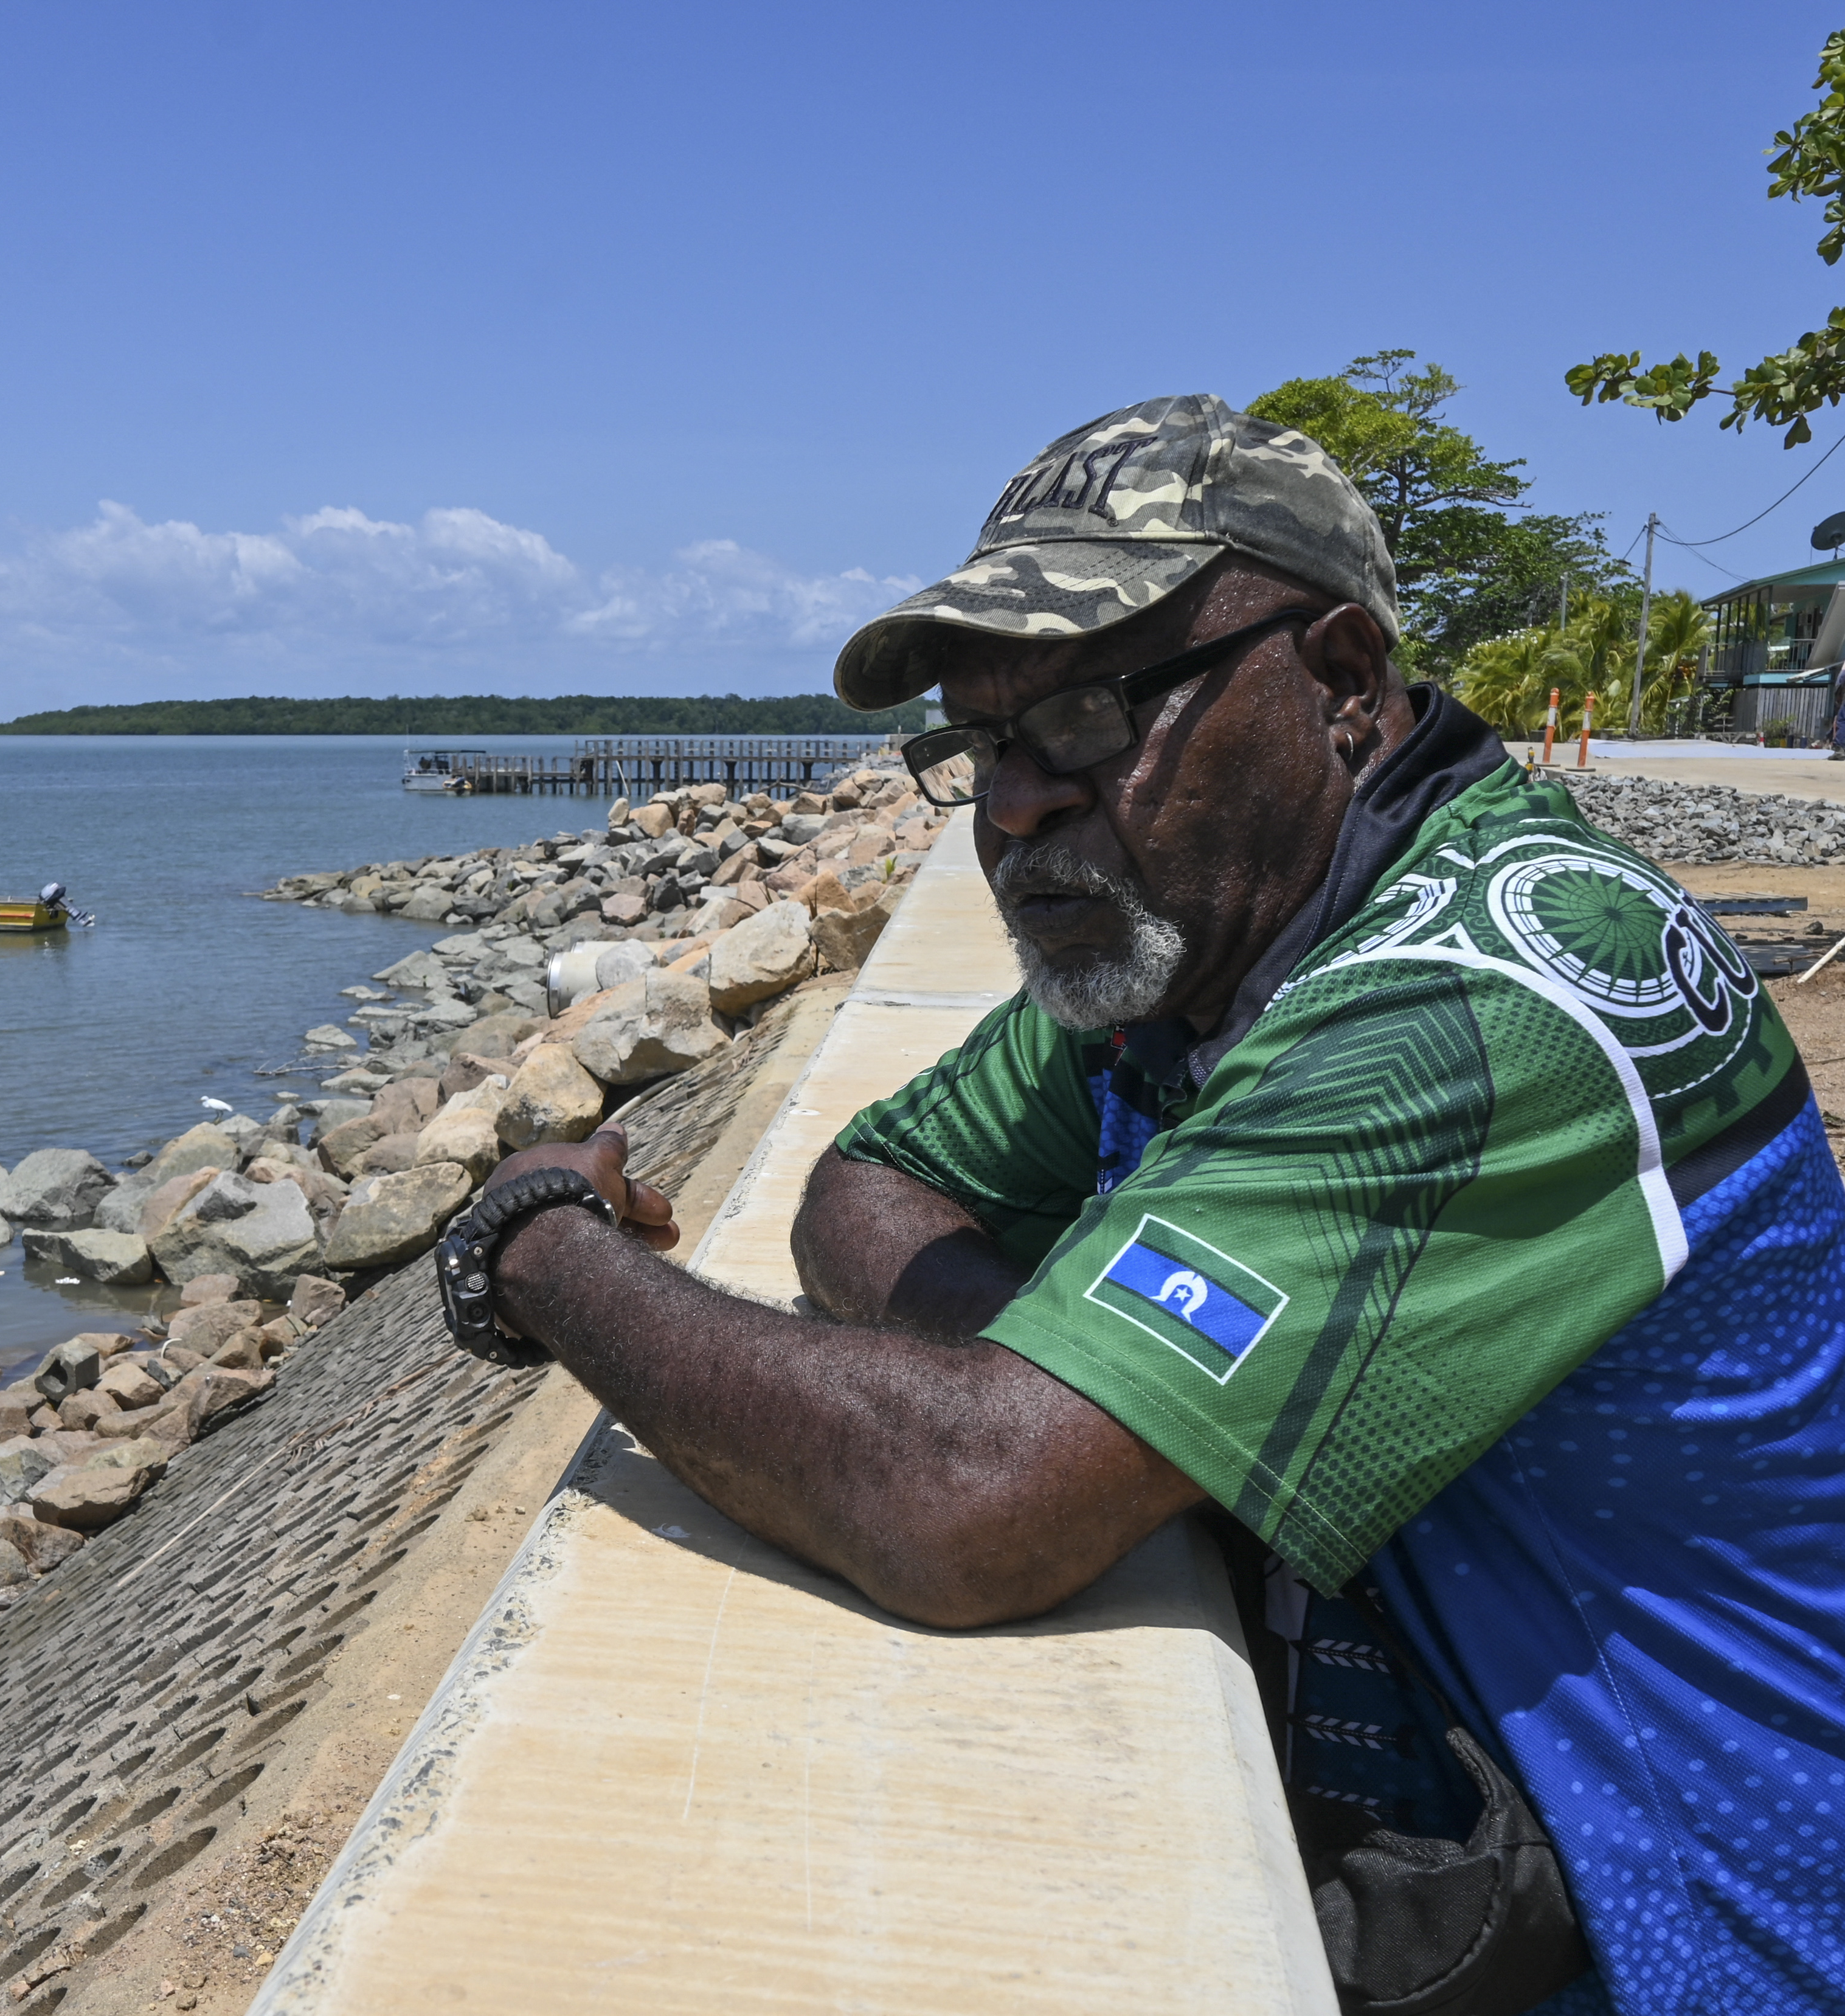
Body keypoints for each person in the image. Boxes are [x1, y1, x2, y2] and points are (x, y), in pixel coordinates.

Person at [455, 395, 1845, 2015]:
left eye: (1093, 717)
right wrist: (1113, 1399)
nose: (1015, 806)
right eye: (981, 745)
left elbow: (963, 1502)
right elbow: (866, 1182)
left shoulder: (1478, 1004)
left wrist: (543, 1241)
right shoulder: (1187, 963)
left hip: (1698, 1951)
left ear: (1336, 683)